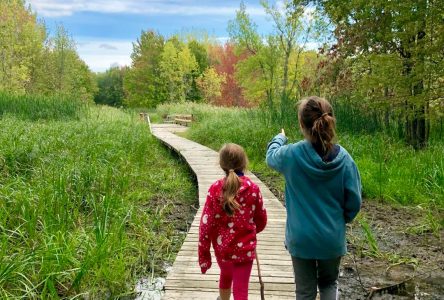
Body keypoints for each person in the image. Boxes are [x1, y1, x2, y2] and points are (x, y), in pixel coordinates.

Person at [266, 96, 362, 300]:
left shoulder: (291, 155)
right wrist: (338, 220)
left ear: (302, 124)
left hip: (301, 238)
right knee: (329, 283)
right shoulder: (345, 160)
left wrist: (279, 138)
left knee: (304, 291)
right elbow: (354, 202)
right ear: (330, 120)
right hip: (331, 237)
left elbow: (270, 156)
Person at [199, 143, 267, 300]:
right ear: (244, 163)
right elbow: (261, 219)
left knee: (226, 275)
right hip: (245, 250)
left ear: (221, 165)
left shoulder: (215, 189)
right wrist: (253, 229)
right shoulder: (253, 189)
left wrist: (204, 254)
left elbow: (205, 224)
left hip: (223, 250)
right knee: (241, 289)